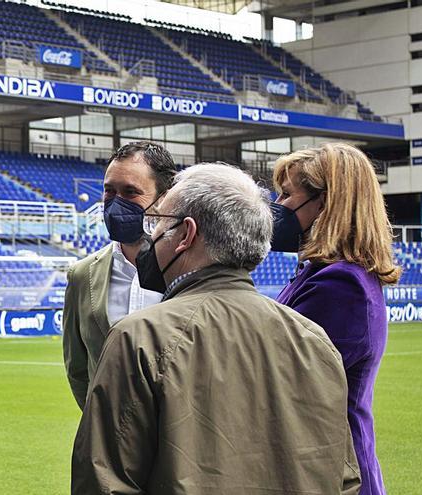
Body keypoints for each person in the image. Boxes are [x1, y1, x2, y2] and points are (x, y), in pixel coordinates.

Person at [72, 163, 361, 495]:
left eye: (160, 222)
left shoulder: (139, 338)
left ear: (186, 234)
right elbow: (345, 479)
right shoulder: (314, 340)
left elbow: (103, 482)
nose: (151, 234)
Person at [272, 143, 400, 495]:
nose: (278, 207)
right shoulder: (328, 273)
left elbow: (282, 378)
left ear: (325, 204)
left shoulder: (340, 284)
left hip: (335, 472)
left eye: (286, 195)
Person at [62, 141, 176, 409]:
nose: (116, 203)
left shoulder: (187, 270)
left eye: (130, 192)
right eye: (109, 191)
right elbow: (77, 370)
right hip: (108, 441)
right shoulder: (81, 275)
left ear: (164, 199)